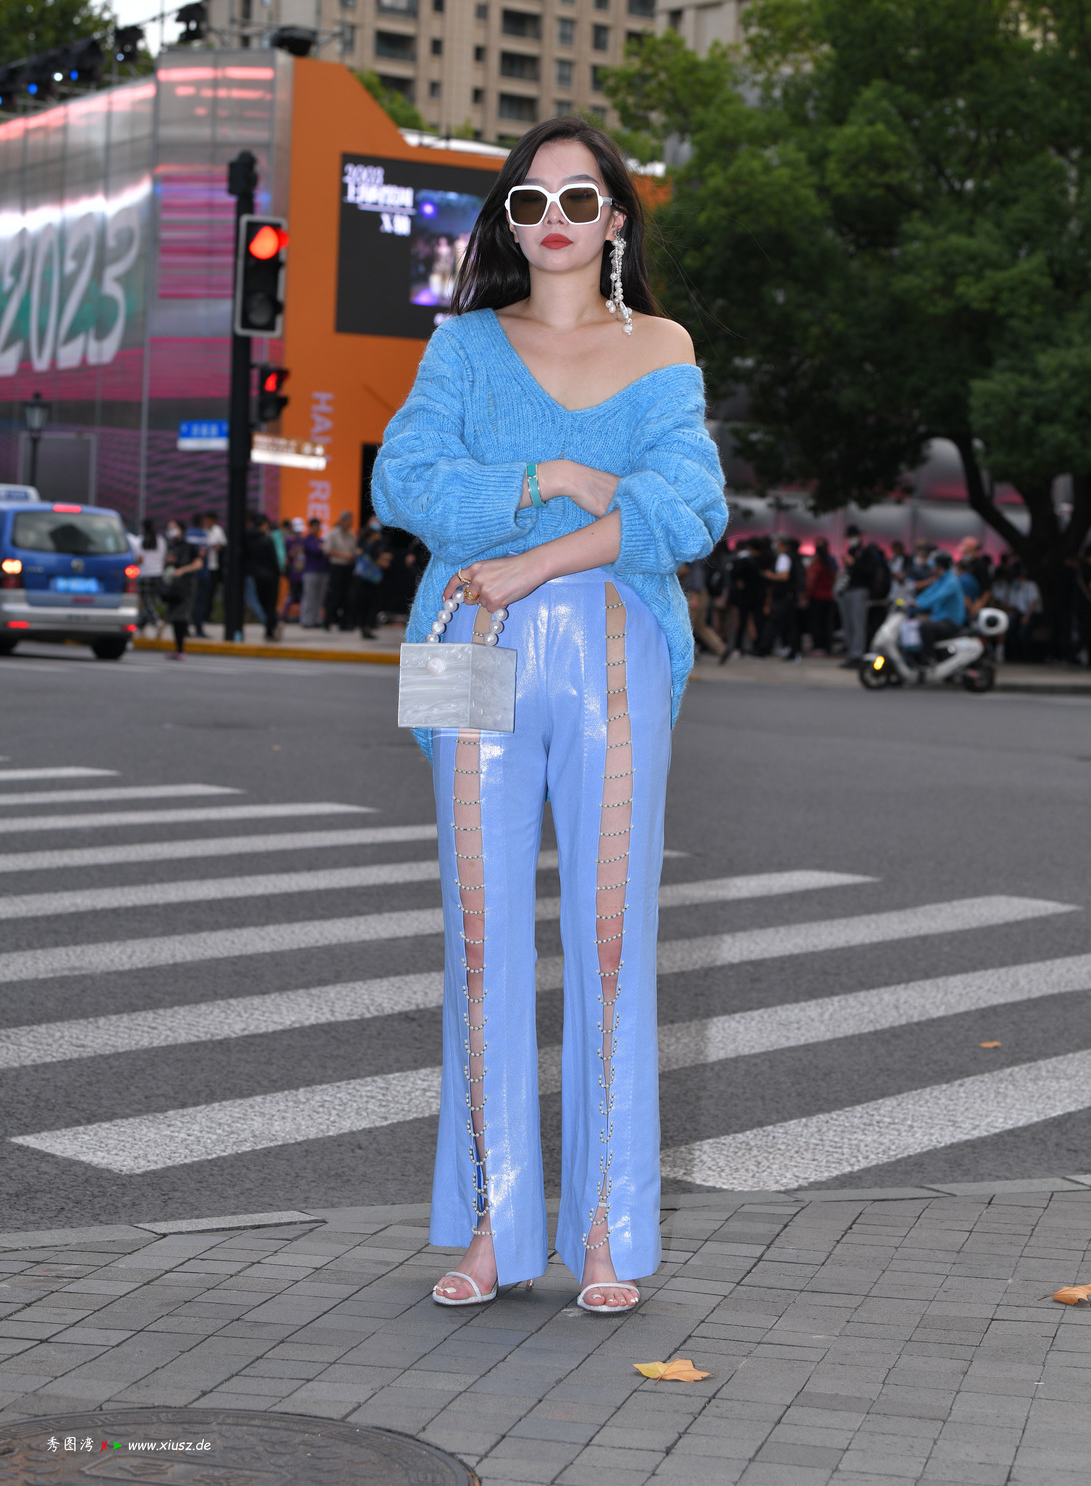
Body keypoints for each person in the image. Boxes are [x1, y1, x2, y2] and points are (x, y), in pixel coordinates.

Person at [372, 115, 727, 1315]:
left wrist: (537, 552)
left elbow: (686, 508)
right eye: (531, 203)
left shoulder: (661, 346)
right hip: (461, 644)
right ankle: (491, 1224)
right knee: (477, 938)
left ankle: (605, 1229)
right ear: (510, 223)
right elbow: (404, 482)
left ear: (614, 220)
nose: (556, 221)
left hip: (615, 647)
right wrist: (552, 477)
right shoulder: (462, 345)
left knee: (611, 936)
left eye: (580, 200)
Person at [915, 550, 968, 664]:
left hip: (951, 622)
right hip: (939, 619)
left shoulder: (951, 581)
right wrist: (914, 601)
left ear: (939, 565)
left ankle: (929, 659)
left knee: (925, 627)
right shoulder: (941, 578)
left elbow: (936, 597)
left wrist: (917, 605)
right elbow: (928, 593)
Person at [837, 525, 878, 668]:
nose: (851, 540)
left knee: (858, 624)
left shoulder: (866, 552)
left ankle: (857, 655)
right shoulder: (852, 551)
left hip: (860, 590)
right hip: (848, 590)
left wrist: (855, 564)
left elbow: (869, 571)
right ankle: (851, 653)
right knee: (849, 625)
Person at [160, 519, 202, 658]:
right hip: (172, 585)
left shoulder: (189, 546)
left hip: (185, 585)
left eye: (173, 527)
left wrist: (183, 570)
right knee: (173, 616)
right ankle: (178, 648)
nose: (171, 530)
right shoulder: (170, 546)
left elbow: (198, 564)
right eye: (169, 528)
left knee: (181, 615)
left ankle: (180, 649)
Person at [244, 513, 282, 641]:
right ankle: (270, 629)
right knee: (270, 605)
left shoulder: (248, 539)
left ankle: (270, 626)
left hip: (255, 576)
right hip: (270, 577)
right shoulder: (267, 540)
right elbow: (273, 560)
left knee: (262, 604)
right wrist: (279, 573)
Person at [323, 511, 358, 630]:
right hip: (336, 567)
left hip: (348, 568)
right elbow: (327, 550)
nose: (351, 523)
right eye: (349, 520)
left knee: (347, 596)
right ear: (342, 521)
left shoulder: (351, 534)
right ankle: (327, 621)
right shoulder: (334, 533)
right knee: (334, 595)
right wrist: (344, 555)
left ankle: (344, 623)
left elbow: (353, 550)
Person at [804, 536, 836, 656]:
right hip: (828, 597)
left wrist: (805, 595)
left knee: (816, 623)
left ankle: (818, 646)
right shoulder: (829, 564)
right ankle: (826, 646)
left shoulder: (816, 566)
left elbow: (811, 582)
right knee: (826, 624)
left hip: (817, 597)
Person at [134, 518, 165, 633]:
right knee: (150, 601)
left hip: (145, 574)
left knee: (146, 602)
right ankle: (140, 626)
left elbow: (139, 559)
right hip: (158, 573)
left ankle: (157, 621)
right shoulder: (160, 540)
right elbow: (163, 557)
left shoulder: (140, 540)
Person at [300, 518, 328, 628]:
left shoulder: (320, 540)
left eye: (318, 526)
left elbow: (325, 550)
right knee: (309, 596)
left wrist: (323, 549)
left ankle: (316, 619)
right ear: (310, 527)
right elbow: (318, 551)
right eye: (314, 526)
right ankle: (306, 620)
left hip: (322, 571)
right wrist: (322, 549)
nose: (316, 528)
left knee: (319, 597)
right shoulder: (307, 540)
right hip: (310, 571)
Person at [185, 514, 210, 637]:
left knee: (188, 602)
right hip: (201, 573)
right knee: (200, 602)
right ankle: (198, 628)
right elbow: (202, 553)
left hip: (187, 573)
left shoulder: (188, 533)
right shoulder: (202, 535)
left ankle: (185, 628)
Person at [201, 511, 226, 629]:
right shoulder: (202, 530)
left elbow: (223, 545)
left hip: (214, 566)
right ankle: (199, 616)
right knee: (201, 593)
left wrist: (216, 547)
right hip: (202, 567)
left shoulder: (218, 530)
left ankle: (207, 616)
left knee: (211, 592)